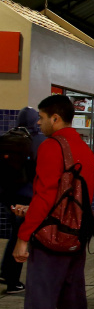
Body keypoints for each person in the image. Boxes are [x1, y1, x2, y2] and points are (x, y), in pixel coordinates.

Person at [3, 94, 94, 309]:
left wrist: (23, 237)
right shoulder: (84, 147)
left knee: (39, 308)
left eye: (42, 117)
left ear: (56, 118)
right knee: (73, 304)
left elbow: (44, 197)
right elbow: (76, 200)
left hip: (49, 241)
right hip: (76, 238)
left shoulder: (52, 147)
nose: (39, 123)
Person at [0, 107, 46, 294]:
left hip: (7, 196)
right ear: (36, 121)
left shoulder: (8, 137)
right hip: (28, 197)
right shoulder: (40, 141)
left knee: (16, 233)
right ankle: (13, 280)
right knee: (23, 237)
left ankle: (6, 272)